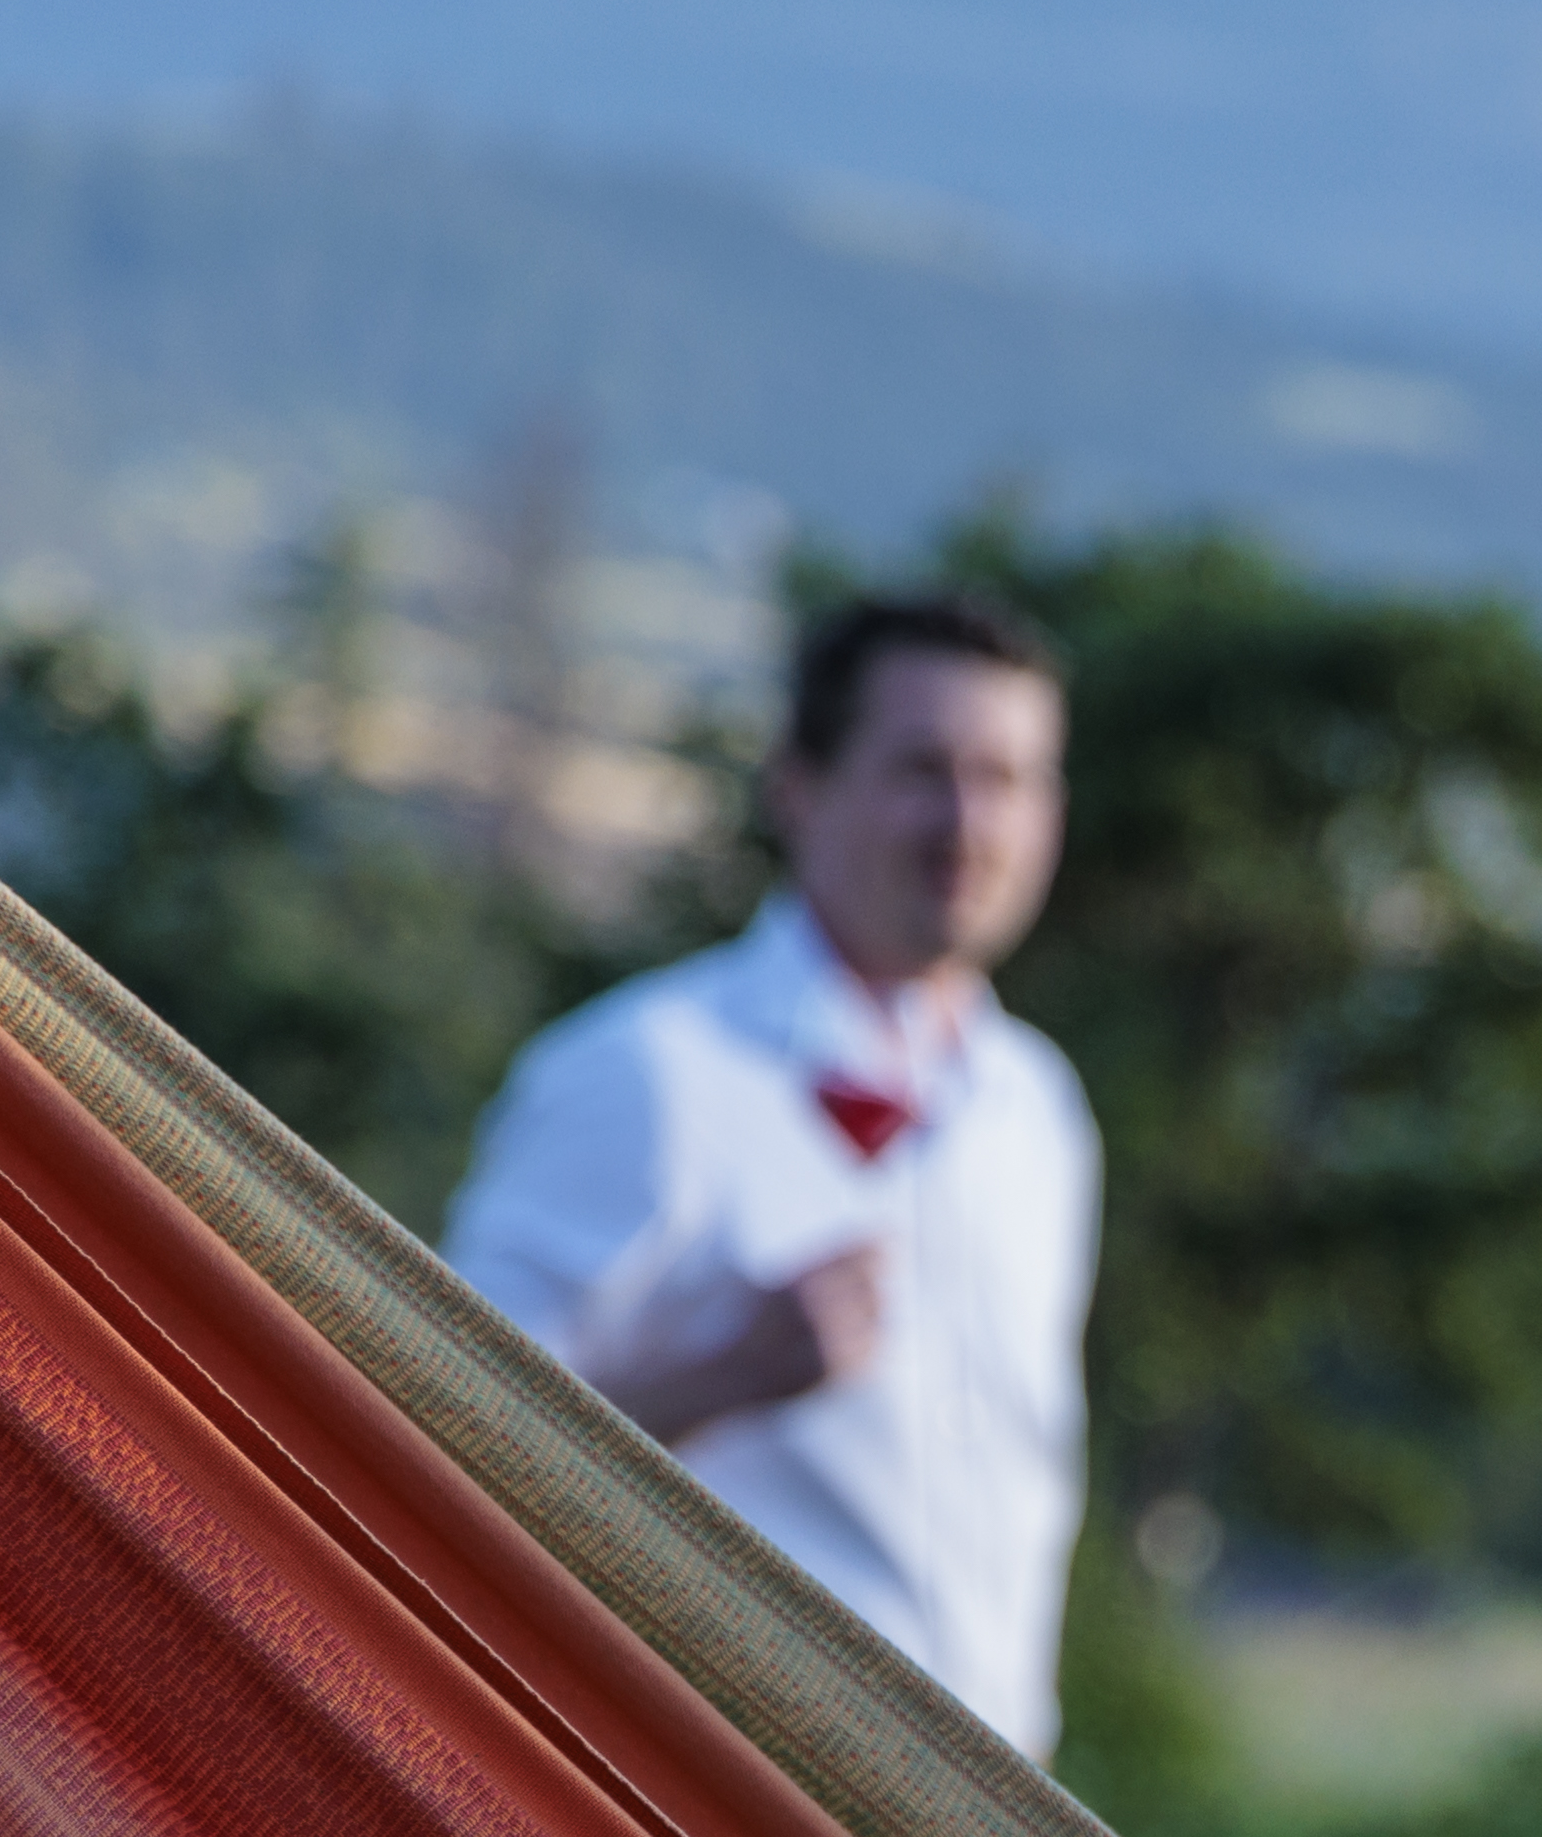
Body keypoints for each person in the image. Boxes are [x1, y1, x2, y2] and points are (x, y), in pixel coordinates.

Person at [444, 590, 1099, 1756]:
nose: (967, 823)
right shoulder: (643, 1076)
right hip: (699, 1819)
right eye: (921, 769)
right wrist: (714, 1378)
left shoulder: (1036, 1111)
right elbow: (434, 1465)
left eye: (1008, 778)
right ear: (798, 787)